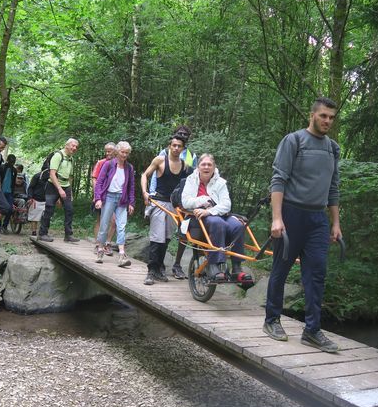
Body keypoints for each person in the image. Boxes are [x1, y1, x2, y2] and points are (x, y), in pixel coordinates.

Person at [262, 97, 342, 354]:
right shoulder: (294, 141)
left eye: (331, 117)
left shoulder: (333, 148)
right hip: (291, 214)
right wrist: (277, 217)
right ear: (312, 115)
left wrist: (336, 223)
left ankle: (312, 330)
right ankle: (272, 319)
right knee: (281, 269)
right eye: (323, 116)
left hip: (317, 219)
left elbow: (333, 187)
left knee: (316, 274)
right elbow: (278, 179)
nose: (327, 121)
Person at [181, 153, 253, 282]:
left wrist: (211, 211)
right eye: (203, 164)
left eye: (209, 164)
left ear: (214, 167)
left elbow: (227, 205)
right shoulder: (191, 180)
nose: (206, 167)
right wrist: (204, 200)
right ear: (198, 167)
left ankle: (237, 268)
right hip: (197, 216)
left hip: (218, 213)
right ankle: (214, 264)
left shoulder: (220, 182)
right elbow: (186, 202)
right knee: (218, 223)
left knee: (239, 226)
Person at [141, 135, 193, 285]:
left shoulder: (185, 166)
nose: (176, 148)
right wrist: (145, 192)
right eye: (174, 145)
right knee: (157, 237)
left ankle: (159, 269)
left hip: (174, 206)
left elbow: (190, 184)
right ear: (170, 146)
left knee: (166, 238)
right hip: (158, 202)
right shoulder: (159, 160)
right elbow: (145, 175)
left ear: (183, 149)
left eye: (179, 146)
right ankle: (151, 271)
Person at [94, 142, 135, 267]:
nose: (124, 155)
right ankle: (100, 250)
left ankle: (122, 254)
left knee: (121, 226)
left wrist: (131, 203)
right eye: (122, 152)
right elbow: (99, 182)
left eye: (127, 153)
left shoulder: (129, 168)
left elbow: (131, 187)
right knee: (104, 224)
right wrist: (98, 199)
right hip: (109, 197)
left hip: (122, 199)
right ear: (117, 152)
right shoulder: (108, 164)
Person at [38, 138, 80, 243]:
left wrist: (70, 191)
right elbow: (52, 174)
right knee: (49, 209)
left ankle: (68, 235)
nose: (74, 148)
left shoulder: (71, 158)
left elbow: (70, 176)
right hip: (53, 185)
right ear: (67, 145)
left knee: (69, 209)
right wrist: (60, 189)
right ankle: (43, 233)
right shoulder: (58, 156)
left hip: (66, 186)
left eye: (76, 147)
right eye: (73, 146)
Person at [92, 142, 116, 240]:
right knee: (100, 220)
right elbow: (94, 179)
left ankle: (107, 242)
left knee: (114, 221)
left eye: (109, 151)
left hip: (115, 196)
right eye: (106, 151)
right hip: (101, 196)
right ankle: (98, 243)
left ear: (115, 151)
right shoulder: (101, 162)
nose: (107, 153)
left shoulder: (119, 164)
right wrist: (96, 196)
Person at [0, 154, 17, 233]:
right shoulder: (2, 167)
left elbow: (13, 183)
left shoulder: (14, 170)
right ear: (8, 160)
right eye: (11, 161)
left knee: (10, 209)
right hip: (0, 191)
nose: (12, 163)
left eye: (13, 162)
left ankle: (5, 226)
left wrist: (13, 192)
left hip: (9, 192)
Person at [27, 170, 47, 238]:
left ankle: (43, 232)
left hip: (46, 200)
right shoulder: (37, 176)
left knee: (45, 218)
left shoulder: (52, 177)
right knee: (34, 218)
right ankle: (34, 232)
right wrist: (30, 197)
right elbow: (30, 187)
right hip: (35, 199)